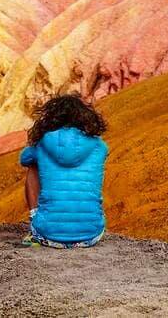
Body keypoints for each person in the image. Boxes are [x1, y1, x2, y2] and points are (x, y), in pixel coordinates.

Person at [20, 93, 108, 248]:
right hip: (91, 236)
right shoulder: (99, 146)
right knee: (91, 170)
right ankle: (87, 217)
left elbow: (24, 159)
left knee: (33, 166)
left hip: (47, 235)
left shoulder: (42, 143)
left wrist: (39, 149)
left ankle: (35, 219)